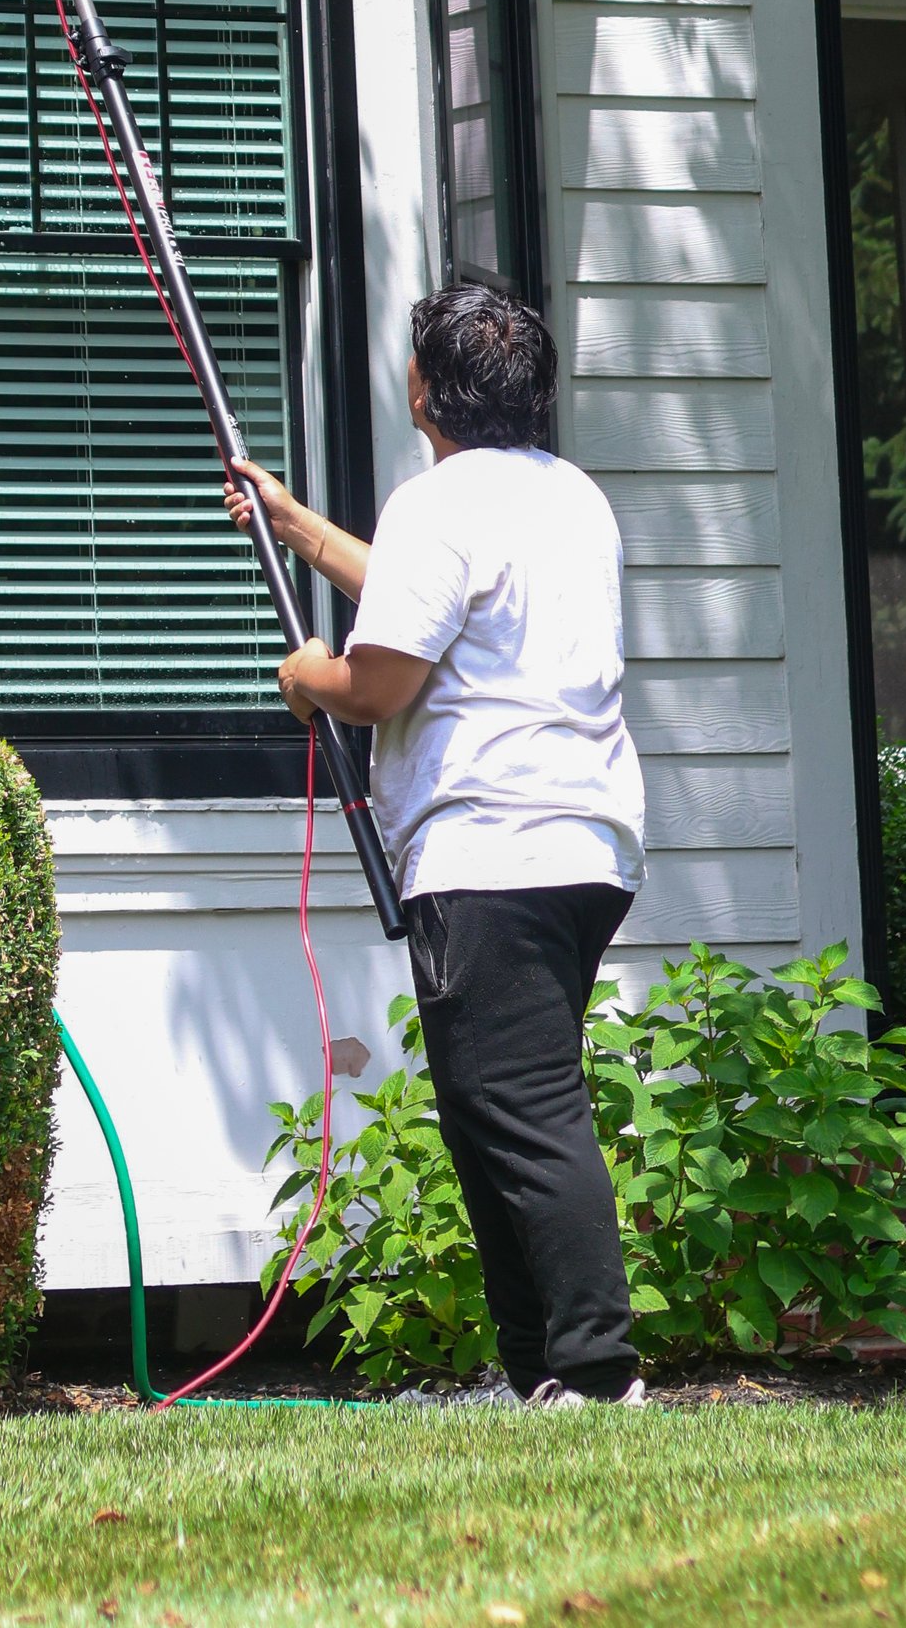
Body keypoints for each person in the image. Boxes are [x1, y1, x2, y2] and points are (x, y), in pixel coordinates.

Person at [224, 277, 647, 1410]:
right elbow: (431, 601)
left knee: (521, 1109)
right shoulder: (569, 498)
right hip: (582, 843)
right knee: (485, 1107)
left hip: (490, 847)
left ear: (425, 391)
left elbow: (383, 679)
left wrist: (306, 678)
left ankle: (596, 1373)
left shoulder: (440, 502)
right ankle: (539, 1380)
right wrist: (297, 525)